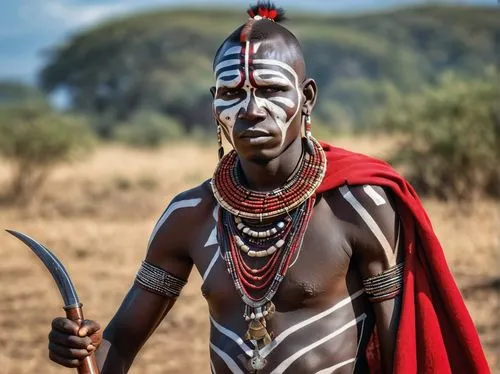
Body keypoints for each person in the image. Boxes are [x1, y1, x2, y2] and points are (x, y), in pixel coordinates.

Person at [47, 2, 488, 373]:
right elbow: (118, 349)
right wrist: (81, 348)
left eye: (270, 88)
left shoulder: (358, 204)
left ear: (307, 97)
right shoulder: (190, 215)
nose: (251, 110)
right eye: (232, 92)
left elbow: (400, 351)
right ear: (214, 102)